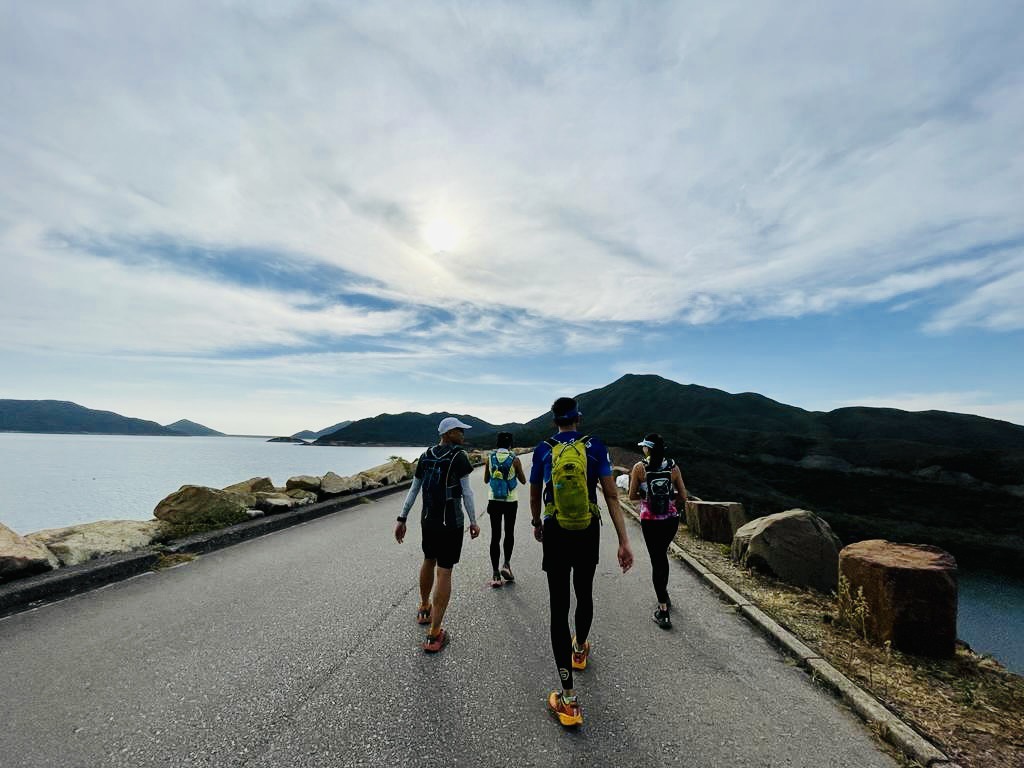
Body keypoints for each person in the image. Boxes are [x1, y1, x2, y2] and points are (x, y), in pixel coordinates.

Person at [530, 397, 634, 727]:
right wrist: (623, 541)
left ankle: (569, 699)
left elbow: (534, 493)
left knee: (559, 607)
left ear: (554, 421)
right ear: (579, 418)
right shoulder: (595, 446)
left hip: (556, 529)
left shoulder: (543, 449)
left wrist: (537, 522)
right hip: (587, 529)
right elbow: (612, 495)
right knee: (584, 592)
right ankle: (579, 650)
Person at [394, 416, 480, 653]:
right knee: (445, 570)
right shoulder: (459, 457)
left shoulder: (426, 455)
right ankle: (434, 633)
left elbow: (414, 489)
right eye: (459, 431)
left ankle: (423, 608)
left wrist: (402, 518)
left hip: (428, 521)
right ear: (449, 433)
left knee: (428, 561)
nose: (463, 434)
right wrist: (473, 521)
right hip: (450, 524)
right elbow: (467, 493)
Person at [628, 433, 688, 630]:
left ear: (648, 448)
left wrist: (647, 499)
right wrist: (673, 508)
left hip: (650, 521)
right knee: (662, 556)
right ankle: (665, 595)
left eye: (644, 446)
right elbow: (684, 496)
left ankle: (663, 612)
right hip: (670, 520)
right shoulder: (673, 467)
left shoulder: (639, 468)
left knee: (657, 560)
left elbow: (631, 496)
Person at [482, 431, 527, 587]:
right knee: (509, 532)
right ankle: (506, 565)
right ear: (510, 445)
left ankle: (495, 575)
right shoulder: (515, 460)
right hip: (510, 501)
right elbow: (523, 480)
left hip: (494, 500)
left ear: (497, 443)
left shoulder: (490, 458)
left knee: (495, 535)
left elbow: (486, 479)